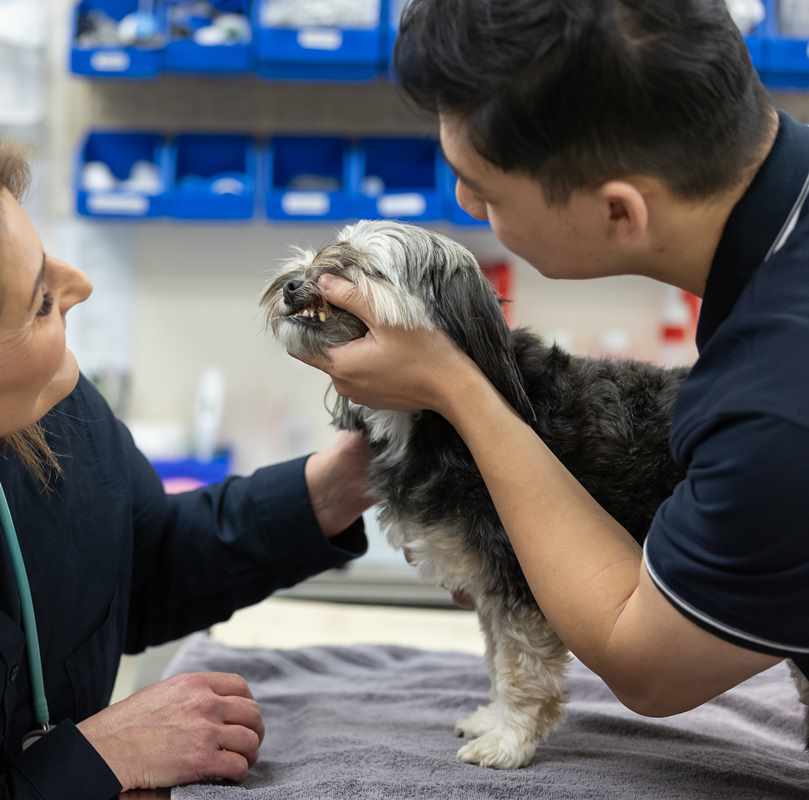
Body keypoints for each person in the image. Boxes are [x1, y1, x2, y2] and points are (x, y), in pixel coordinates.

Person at [299, 0, 809, 719]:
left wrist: (457, 386)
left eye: (485, 189)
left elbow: (650, 670)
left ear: (617, 212)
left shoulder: (779, 396)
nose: (463, 202)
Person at [0, 148, 374, 798]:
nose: (79, 286)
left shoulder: (52, 409)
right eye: (39, 302)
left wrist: (343, 482)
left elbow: (142, 569)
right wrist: (95, 757)